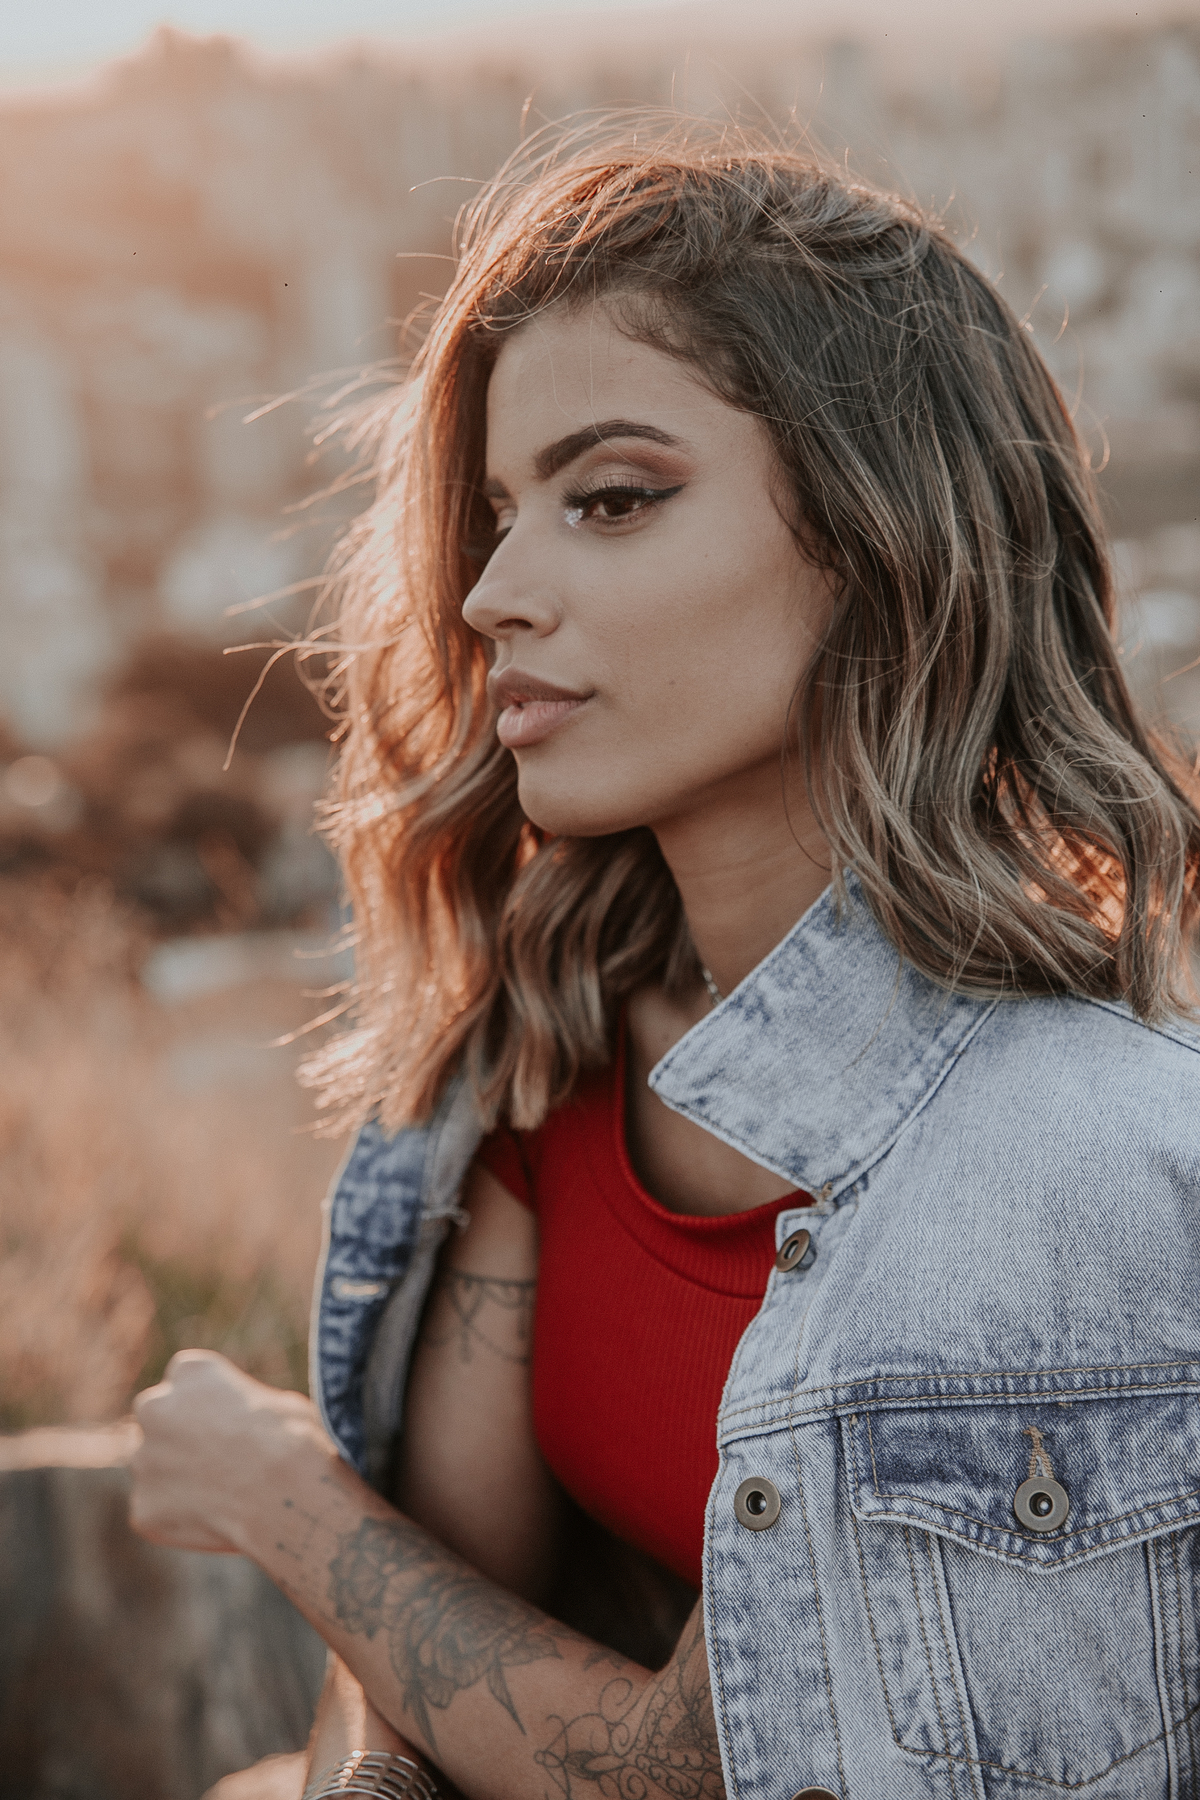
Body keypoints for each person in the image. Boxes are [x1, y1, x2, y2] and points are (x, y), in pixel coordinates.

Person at [130, 118, 1200, 1800]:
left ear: (879, 539)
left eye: (613, 500)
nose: (490, 593)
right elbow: (419, 1640)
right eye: (499, 515)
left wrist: (279, 1497)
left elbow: (687, 1774)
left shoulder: (1071, 1172)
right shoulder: (548, 1044)